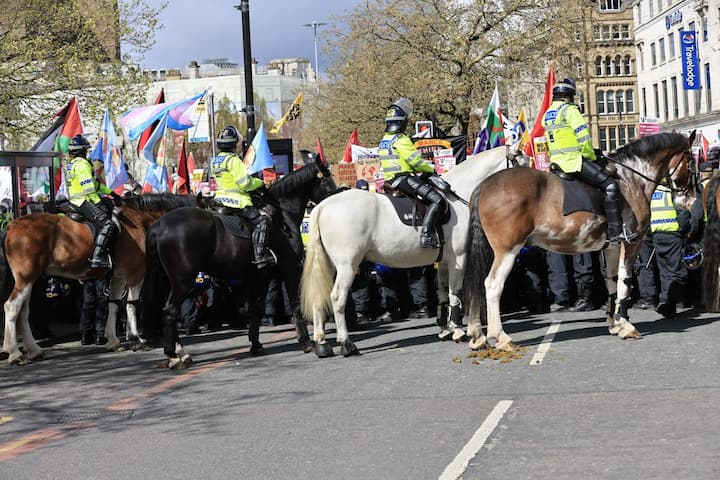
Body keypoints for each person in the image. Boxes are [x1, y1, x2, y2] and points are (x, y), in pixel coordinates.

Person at [542, 78, 636, 244]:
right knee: (611, 186)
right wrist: (593, 157)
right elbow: (584, 139)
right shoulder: (570, 111)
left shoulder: (548, 115)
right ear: (569, 96)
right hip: (573, 161)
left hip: (556, 162)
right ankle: (615, 232)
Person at [379, 97, 443, 248]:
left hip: (389, 181)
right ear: (402, 122)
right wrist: (431, 169)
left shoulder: (385, 139)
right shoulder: (401, 139)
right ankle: (426, 234)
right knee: (437, 199)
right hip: (404, 180)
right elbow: (415, 161)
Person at [210, 125, 276, 269]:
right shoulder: (233, 160)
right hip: (237, 201)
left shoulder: (215, 161)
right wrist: (260, 183)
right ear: (234, 144)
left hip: (219, 200)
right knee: (264, 220)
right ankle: (260, 256)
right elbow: (245, 184)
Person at [65, 134, 116, 269]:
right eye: (86, 150)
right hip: (83, 200)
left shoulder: (73, 164)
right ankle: (98, 257)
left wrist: (111, 193)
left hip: (75, 200)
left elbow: (95, 185)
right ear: (82, 151)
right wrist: (99, 203)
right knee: (107, 224)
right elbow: (89, 189)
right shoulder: (82, 165)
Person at [648, 183, 692, 317]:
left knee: (664, 271)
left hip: (657, 236)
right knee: (677, 271)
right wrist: (683, 231)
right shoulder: (673, 192)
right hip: (673, 235)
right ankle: (670, 302)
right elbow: (683, 214)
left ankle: (667, 304)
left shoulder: (652, 192)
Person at [79, 277, 109, 345]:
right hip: (101, 271)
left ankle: (86, 334)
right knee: (102, 302)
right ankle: (100, 334)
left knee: (88, 301)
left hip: (88, 272)